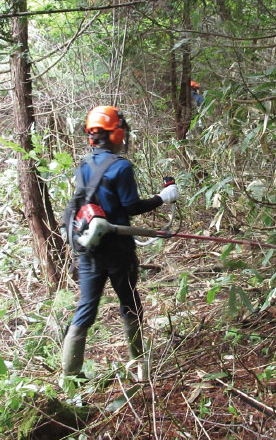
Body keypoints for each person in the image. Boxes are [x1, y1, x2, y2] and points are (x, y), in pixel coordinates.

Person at [61, 105, 178, 380]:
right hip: (117, 249)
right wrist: (164, 197)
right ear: (115, 134)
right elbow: (131, 206)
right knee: (129, 301)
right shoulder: (121, 166)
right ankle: (139, 365)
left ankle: (70, 377)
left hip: (88, 247)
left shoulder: (83, 164)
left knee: (86, 306)